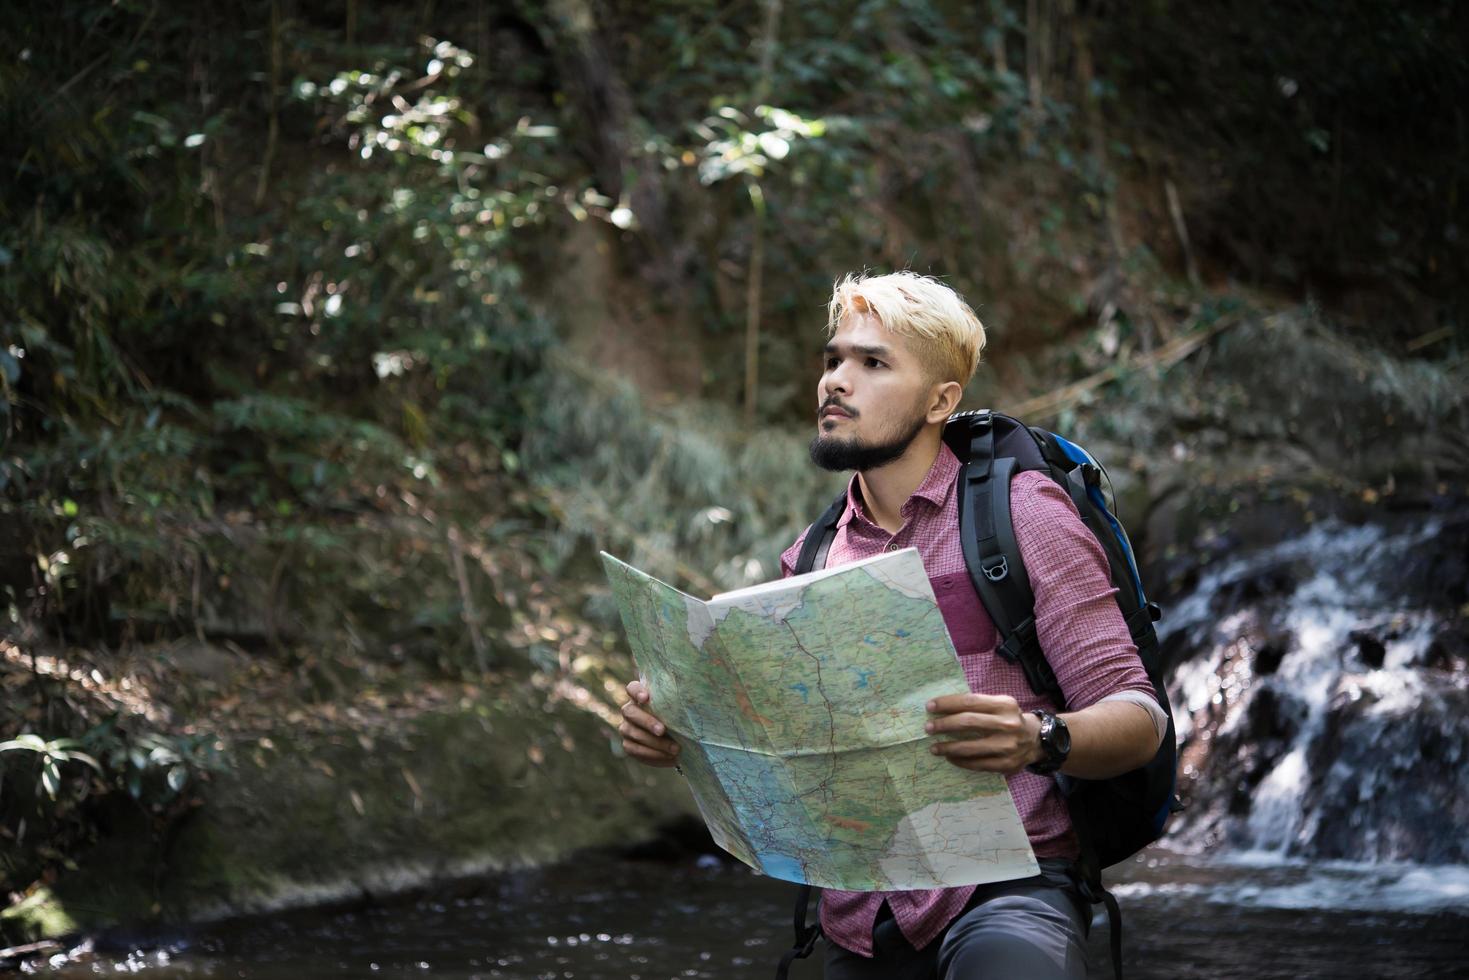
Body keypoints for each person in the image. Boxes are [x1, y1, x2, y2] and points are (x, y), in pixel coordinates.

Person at [618, 271, 1167, 979]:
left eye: (872, 363)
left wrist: (1040, 738)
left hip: (1007, 893)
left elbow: (1138, 717)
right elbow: (795, 757)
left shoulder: (1023, 517)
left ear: (941, 400)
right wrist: (681, 738)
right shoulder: (812, 558)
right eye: (833, 359)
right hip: (856, 920)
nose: (835, 382)